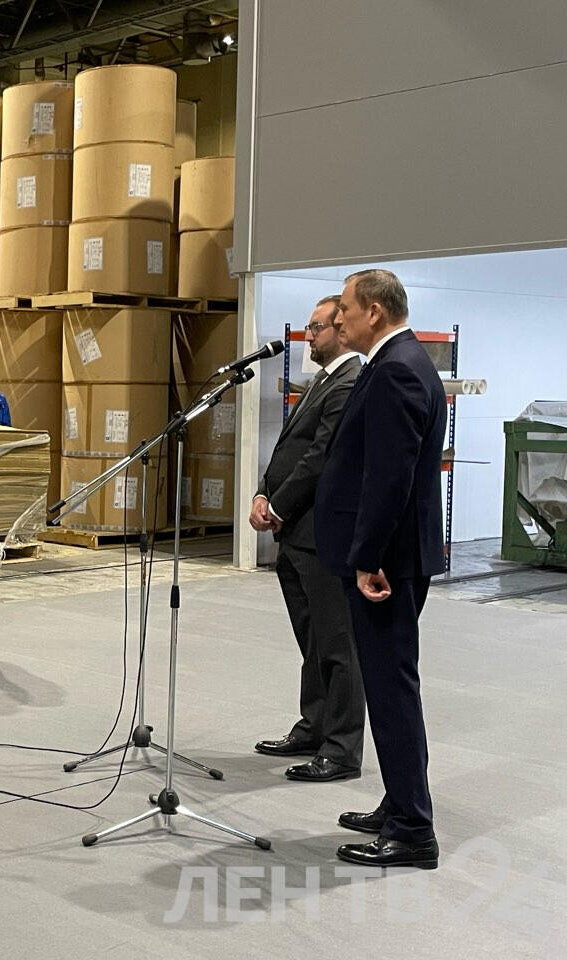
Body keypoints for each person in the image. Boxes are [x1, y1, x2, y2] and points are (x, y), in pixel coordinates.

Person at [315, 269, 447, 870]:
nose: (338, 318)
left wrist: (368, 557)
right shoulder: (398, 361)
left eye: (344, 308)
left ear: (373, 310)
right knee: (390, 684)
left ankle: (413, 830)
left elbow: (389, 475)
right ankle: (399, 804)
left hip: (387, 564)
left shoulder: (397, 369)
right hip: (393, 556)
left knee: (391, 691)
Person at [250, 295, 364, 782]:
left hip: (322, 535)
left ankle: (341, 748)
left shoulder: (350, 381)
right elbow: (288, 448)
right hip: (295, 534)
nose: (309, 336)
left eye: (317, 327)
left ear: (341, 329)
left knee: (337, 645)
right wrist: (262, 491)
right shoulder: (322, 380)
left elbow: (320, 457)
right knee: (311, 640)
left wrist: (277, 506)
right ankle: (314, 725)